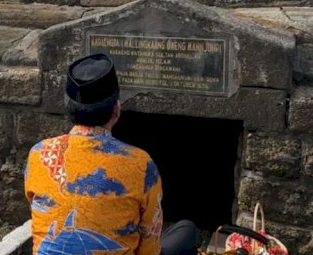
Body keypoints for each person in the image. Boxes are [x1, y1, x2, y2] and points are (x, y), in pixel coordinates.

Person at [24, 53, 202, 255]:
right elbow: (149, 246)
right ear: (116, 109)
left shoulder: (39, 154)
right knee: (187, 231)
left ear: (69, 108)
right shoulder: (141, 164)